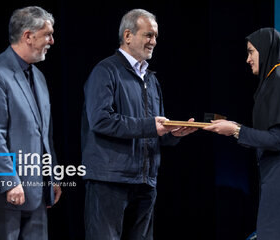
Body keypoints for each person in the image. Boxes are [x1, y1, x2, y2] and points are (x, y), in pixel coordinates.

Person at [81, 8, 197, 240]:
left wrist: (174, 133)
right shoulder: (105, 71)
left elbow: (156, 130)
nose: (153, 41)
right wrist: (150, 127)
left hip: (145, 182)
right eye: (148, 35)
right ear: (127, 36)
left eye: (155, 36)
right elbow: (101, 121)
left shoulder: (151, 79)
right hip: (110, 180)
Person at [203, 28, 280, 239]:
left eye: (251, 52)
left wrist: (236, 130)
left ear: (266, 50)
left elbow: (278, 140)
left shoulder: (278, 80)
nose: (248, 59)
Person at [0, 6, 61, 240]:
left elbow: (45, 136)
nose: (52, 41)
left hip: (36, 196)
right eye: (47, 34)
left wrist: (51, 177)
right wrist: (9, 181)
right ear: (28, 36)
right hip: (3, 196)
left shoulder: (39, 77)